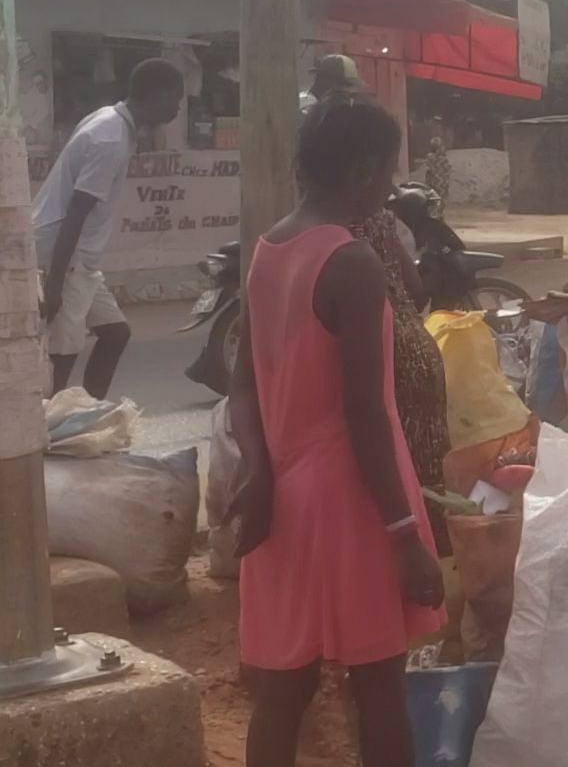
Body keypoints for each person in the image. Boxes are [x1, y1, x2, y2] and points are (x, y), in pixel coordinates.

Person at [226, 96, 444, 767]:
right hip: (355, 500)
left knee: (282, 690)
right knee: (378, 687)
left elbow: (242, 384)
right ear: (359, 170)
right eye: (388, 171)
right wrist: (404, 534)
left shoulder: (268, 249)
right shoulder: (352, 262)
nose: (390, 188)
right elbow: (365, 414)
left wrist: (258, 471)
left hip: (284, 496)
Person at [33, 58, 184, 397]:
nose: (178, 107)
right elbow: (76, 212)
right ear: (155, 95)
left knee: (116, 333)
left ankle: (89, 413)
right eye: (176, 98)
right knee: (63, 352)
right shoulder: (110, 140)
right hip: (65, 256)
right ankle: (49, 420)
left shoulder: (111, 122)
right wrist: (55, 283)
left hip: (79, 259)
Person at [348, 198, 451, 556]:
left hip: (384, 353)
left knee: (390, 458)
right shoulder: (380, 221)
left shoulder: (327, 232)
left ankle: (403, 553)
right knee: (427, 461)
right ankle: (435, 551)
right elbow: (417, 292)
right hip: (417, 349)